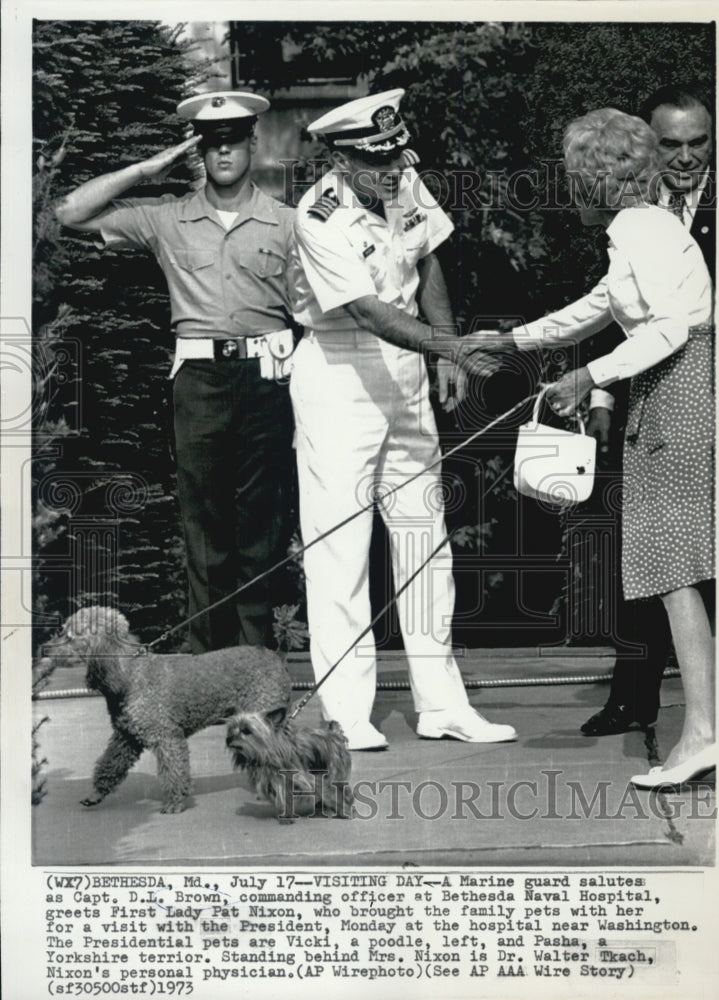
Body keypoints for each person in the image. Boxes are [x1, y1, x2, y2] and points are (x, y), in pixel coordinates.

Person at [482, 108, 715, 787]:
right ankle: (704, 727)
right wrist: (512, 342)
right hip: (667, 392)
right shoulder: (643, 226)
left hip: (675, 395)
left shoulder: (637, 227)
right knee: (675, 571)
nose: (568, 189)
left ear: (594, 182)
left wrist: (590, 375)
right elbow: (597, 305)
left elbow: (673, 325)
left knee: (671, 568)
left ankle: (700, 733)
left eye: (573, 177)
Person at [288, 88, 517, 750]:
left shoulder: (402, 179)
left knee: (424, 537)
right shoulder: (318, 215)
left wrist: (442, 346)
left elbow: (428, 255)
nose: (392, 171)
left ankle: (442, 705)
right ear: (338, 159)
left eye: (395, 156)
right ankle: (346, 713)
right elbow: (364, 311)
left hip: (410, 364)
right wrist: (453, 347)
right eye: (375, 162)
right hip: (340, 372)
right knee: (340, 548)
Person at [55, 92, 296, 653]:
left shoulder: (288, 221)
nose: (224, 151)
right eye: (212, 142)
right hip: (199, 381)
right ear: (199, 150)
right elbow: (68, 213)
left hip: (268, 377)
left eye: (234, 138)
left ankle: (255, 660)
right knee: (203, 526)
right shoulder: (167, 217)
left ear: (252, 142)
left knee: (261, 525)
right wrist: (146, 168)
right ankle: (205, 660)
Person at [581, 85, 715, 737]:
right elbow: (612, 312)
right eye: (671, 145)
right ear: (647, 145)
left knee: (701, 557)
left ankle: (707, 718)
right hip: (652, 394)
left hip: (707, 395)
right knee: (647, 550)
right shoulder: (629, 210)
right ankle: (632, 696)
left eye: (698, 143)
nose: (686, 158)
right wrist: (601, 393)